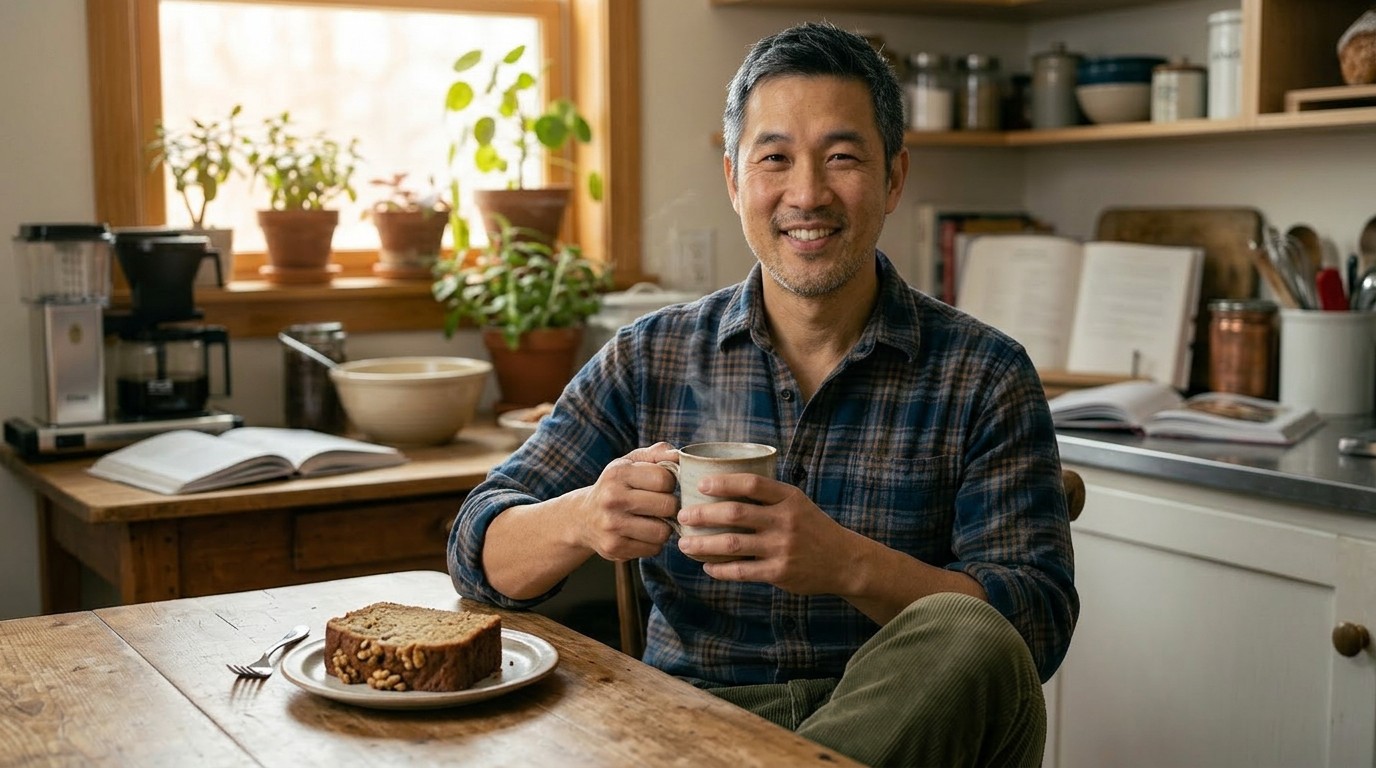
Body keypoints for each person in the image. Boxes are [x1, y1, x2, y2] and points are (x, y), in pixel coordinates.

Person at [449, 20, 1077, 767]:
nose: (806, 194)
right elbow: (475, 552)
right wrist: (584, 517)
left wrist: (845, 564)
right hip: (691, 730)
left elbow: (1032, 628)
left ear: (894, 177)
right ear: (734, 178)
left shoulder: (985, 374)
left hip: (907, 719)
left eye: (842, 158)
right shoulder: (653, 355)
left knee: (970, 638)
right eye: (774, 158)